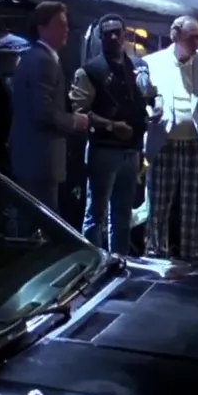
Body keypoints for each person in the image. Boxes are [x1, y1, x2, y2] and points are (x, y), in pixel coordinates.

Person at [143, 16, 198, 262]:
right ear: (175, 36)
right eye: (191, 38)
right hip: (164, 142)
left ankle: (195, 256)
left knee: (197, 206)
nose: (196, 42)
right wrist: (149, 120)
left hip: (197, 143)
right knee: (157, 203)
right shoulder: (152, 62)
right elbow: (143, 100)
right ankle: (155, 255)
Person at [70, 15, 149, 254]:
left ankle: (120, 261)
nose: (113, 37)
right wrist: (112, 126)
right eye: (108, 34)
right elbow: (79, 111)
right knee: (96, 214)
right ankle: (93, 262)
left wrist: (152, 111)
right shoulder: (90, 71)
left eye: (117, 32)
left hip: (131, 151)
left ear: (125, 34)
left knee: (123, 215)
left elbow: (146, 97)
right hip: (104, 150)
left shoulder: (137, 66)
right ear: (101, 37)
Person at [9, 1, 89, 213]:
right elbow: (45, 111)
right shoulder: (43, 61)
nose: (66, 29)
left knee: (30, 219)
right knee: (44, 222)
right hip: (41, 160)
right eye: (60, 24)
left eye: (67, 24)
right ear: (42, 28)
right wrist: (75, 121)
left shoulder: (31, 57)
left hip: (29, 158)